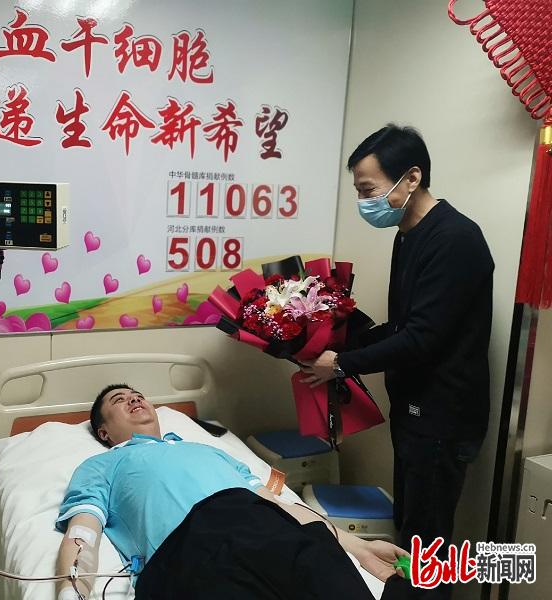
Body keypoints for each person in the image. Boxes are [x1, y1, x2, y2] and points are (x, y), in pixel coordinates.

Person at [301, 124, 494, 599]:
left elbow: (421, 338)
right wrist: (332, 337)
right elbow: (404, 323)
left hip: (443, 416)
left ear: (411, 178)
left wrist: (341, 363)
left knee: (429, 543)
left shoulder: (455, 239)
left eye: (368, 190)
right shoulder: (408, 234)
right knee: (412, 532)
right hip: (413, 410)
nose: (363, 201)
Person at [54, 384, 409, 600]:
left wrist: (359, 547)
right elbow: (83, 531)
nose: (134, 400)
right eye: (119, 400)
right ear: (103, 432)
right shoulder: (103, 464)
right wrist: (71, 590)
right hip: (185, 549)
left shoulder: (209, 450)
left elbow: (278, 503)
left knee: (326, 566)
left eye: (138, 395)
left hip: (265, 525)